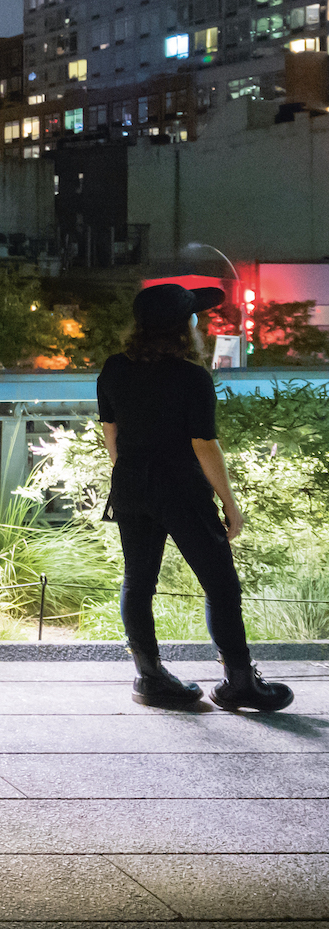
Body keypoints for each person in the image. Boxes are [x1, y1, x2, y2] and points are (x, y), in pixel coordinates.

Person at [97, 281, 293, 713]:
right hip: (180, 489)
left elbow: (111, 432)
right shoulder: (191, 376)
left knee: (138, 580)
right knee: (220, 583)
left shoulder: (114, 368)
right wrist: (229, 502)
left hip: (131, 486)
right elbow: (204, 444)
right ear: (185, 326)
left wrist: (128, 471)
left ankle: (150, 678)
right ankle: (239, 682)